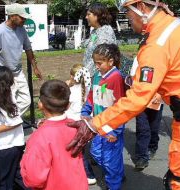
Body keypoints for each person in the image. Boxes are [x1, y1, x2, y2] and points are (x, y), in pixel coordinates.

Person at [66, 0, 180, 189]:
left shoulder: (157, 43)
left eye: (127, 13)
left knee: (175, 180)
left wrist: (94, 123)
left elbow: (137, 98)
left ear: (142, 8)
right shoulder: (172, 26)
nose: (128, 19)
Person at [0, 3, 42, 115]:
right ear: (12, 16)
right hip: (4, 75)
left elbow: (28, 49)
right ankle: (8, 121)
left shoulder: (21, 30)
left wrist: (35, 67)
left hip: (18, 72)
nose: (24, 20)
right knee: (7, 101)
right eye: (22, 17)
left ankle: (10, 118)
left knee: (26, 101)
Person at [20, 79, 88, 190]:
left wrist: (23, 165)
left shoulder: (39, 137)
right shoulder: (75, 126)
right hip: (78, 184)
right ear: (67, 105)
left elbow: (34, 179)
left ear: (40, 104)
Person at [81, 44, 125, 190]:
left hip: (111, 128)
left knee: (109, 160)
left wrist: (114, 131)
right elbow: (91, 98)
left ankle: (114, 183)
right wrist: (86, 111)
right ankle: (117, 172)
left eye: (99, 63)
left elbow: (120, 107)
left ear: (110, 61)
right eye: (95, 63)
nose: (97, 66)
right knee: (96, 152)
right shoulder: (97, 76)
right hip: (99, 125)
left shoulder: (116, 78)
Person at [0, 66, 26, 190]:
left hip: (3, 148)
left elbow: (16, 121)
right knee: (16, 175)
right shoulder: (6, 93)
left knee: (2, 181)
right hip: (16, 144)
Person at [65, 64, 96, 185]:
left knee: (79, 152)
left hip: (74, 124)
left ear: (73, 76)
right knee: (86, 148)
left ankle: (89, 175)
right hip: (88, 123)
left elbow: (65, 107)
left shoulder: (71, 91)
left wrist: (66, 86)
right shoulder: (89, 90)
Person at [83, 3, 116, 77]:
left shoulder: (105, 31)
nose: (86, 17)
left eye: (88, 14)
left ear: (97, 15)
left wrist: (85, 73)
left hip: (101, 76)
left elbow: (101, 57)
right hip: (92, 74)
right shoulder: (95, 31)